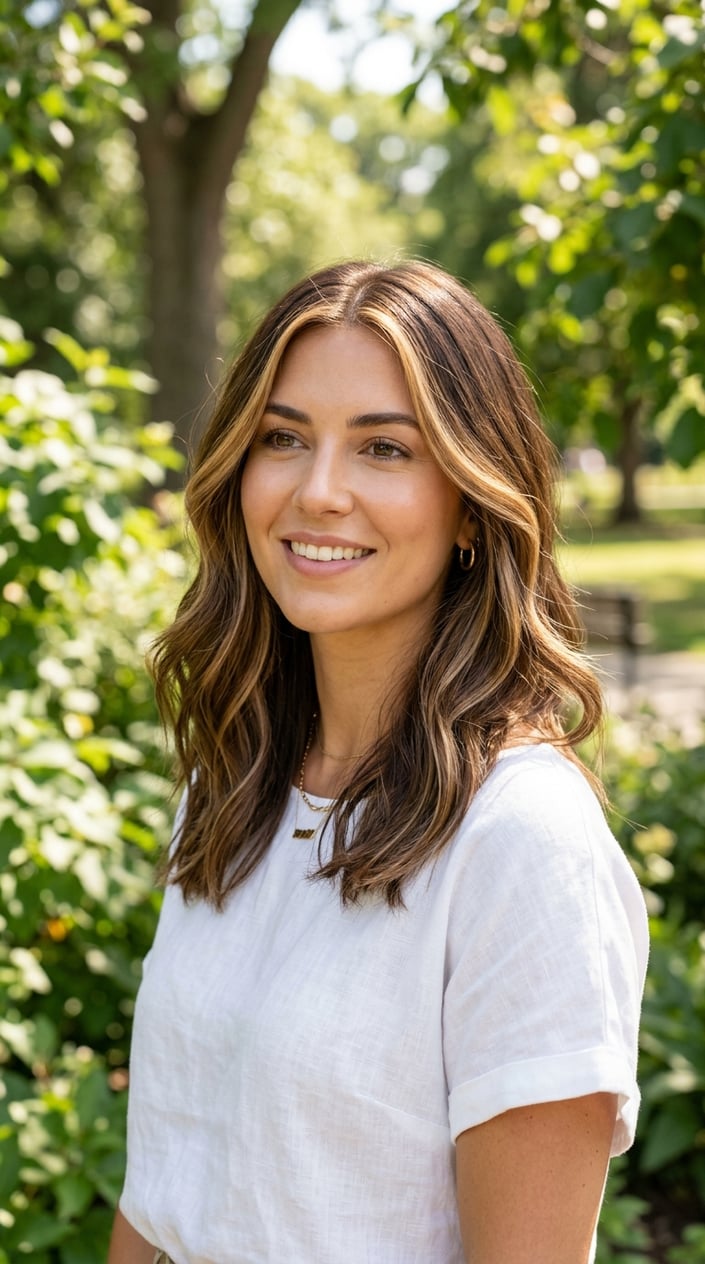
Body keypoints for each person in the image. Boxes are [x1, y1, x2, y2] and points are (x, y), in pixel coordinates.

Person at [108, 260, 648, 1264]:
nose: (319, 492)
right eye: (283, 438)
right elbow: (163, 1190)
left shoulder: (521, 843)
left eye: (384, 448)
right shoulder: (234, 785)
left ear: (475, 505)